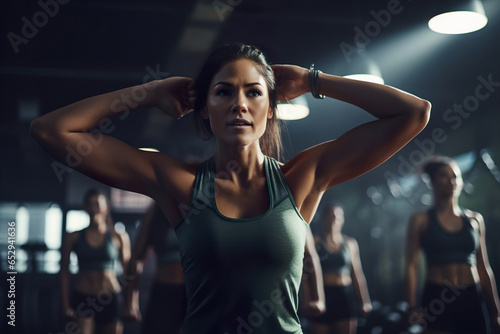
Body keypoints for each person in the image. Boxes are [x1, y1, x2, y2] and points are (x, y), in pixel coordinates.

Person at [31, 42, 430, 333]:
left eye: (253, 92)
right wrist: (149, 94)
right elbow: (51, 130)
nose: (239, 103)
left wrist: (312, 80)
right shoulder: (179, 184)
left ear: (269, 108)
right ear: (205, 108)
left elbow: (414, 113)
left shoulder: (300, 178)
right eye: (224, 91)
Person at [404, 156, 500, 334]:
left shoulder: (475, 220)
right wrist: (411, 307)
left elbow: (484, 267)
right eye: (444, 176)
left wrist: (496, 311)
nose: (451, 181)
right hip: (436, 299)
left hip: (471, 297)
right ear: (432, 182)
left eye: (455, 176)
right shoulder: (420, 221)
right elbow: (411, 265)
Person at [59, 188, 131, 334]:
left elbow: (128, 273)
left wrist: (129, 304)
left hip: (110, 298)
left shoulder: (119, 236)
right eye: (89, 204)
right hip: (83, 298)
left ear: (106, 208)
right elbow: (64, 272)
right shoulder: (74, 237)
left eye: (97, 204)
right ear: (85, 207)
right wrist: (66, 305)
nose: (93, 209)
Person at [308, 202, 372, 334]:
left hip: (344, 296)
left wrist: (364, 301)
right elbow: (306, 275)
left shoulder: (350, 244)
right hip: (323, 295)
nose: (334, 220)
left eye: (337, 216)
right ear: (323, 218)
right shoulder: (314, 242)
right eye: (330, 216)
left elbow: (357, 274)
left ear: (342, 219)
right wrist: (309, 300)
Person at [123, 202, 186, 334]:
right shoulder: (156, 210)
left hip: (195, 294)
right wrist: (130, 301)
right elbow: (136, 258)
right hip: (164, 290)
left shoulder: (204, 206)